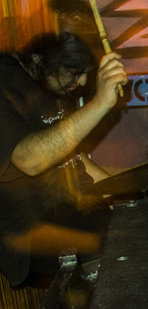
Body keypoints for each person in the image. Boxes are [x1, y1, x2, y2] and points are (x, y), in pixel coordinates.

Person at [0, 30, 128, 286]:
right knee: (117, 246)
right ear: (40, 58)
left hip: (76, 210)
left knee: (139, 231)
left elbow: (80, 166)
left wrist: (133, 193)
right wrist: (99, 103)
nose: (82, 82)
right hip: (31, 231)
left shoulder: (52, 81)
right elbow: (29, 160)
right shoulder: (5, 80)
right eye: (75, 72)